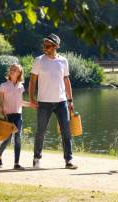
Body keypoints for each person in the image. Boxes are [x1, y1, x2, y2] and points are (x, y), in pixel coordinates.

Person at [29, 33, 78, 169]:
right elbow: (33, 80)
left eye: (48, 45)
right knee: (41, 131)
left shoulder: (63, 61)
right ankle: (37, 158)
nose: (45, 47)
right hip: (43, 102)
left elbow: (66, 79)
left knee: (66, 132)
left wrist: (70, 99)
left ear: (56, 46)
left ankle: (69, 160)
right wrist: (32, 98)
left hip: (61, 102)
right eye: (44, 45)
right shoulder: (39, 60)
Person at [0, 63, 36, 170]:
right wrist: (2, 111)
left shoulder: (21, 86)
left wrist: (31, 105)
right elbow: (1, 102)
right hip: (8, 116)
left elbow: (20, 102)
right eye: (12, 69)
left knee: (18, 138)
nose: (13, 71)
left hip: (18, 115)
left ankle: (16, 163)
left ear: (19, 73)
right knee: (8, 139)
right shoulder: (3, 86)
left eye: (15, 70)